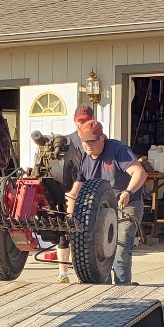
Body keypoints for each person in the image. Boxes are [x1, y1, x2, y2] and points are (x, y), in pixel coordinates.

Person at [66, 120, 147, 285]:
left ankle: (122, 288)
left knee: (120, 248)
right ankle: (105, 288)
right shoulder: (83, 157)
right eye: (85, 141)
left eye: (92, 141)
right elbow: (75, 191)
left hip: (127, 203)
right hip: (101, 206)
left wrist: (128, 192)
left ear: (102, 137)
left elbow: (140, 173)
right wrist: (69, 217)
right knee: (99, 249)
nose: (88, 145)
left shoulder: (118, 150)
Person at [56, 104, 94, 283]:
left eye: (86, 120)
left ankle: (83, 274)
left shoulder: (98, 138)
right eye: (80, 121)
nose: (82, 124)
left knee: (85, 237)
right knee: (64, 233)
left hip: (90, 193)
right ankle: (63, 273)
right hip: (68, 191)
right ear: (74, 121)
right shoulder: (65, 141)